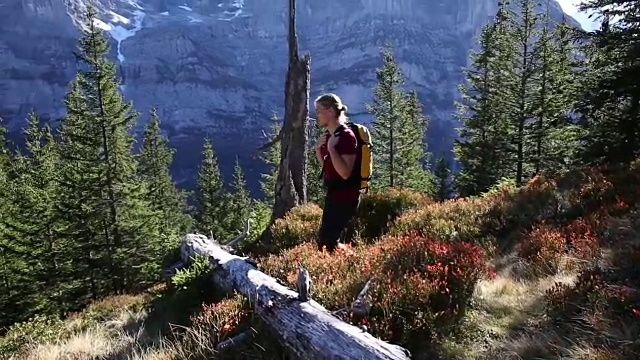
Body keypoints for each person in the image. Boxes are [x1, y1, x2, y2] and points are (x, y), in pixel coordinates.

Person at [314, 93, 361, 253]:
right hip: (333, 195)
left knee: (329, 242)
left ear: (330, 111)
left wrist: (332, 149)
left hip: (346, 197)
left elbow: (345, 173)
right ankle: (340, 269)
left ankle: (350, 266)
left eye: (319, 110)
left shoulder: (347, 137)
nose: (317, 115)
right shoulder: (329, 137)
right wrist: (319, 152)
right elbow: (329, 170)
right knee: (325, 241)